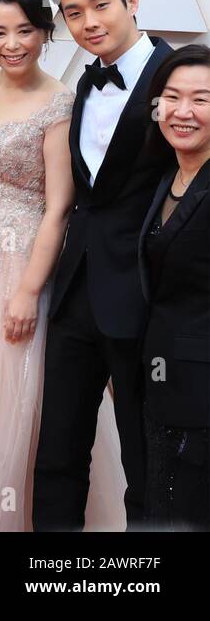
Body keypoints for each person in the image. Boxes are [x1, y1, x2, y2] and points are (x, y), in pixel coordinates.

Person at [0, 0, 125, 531]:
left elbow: (59, 207)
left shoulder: (60, 102)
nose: (12, 43)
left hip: (19, 263)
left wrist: (26, 292)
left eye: (25, 30)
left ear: (45, 33)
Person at [33, 0, 174, 530]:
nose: (88, 22)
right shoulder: (83, 83)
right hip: (74, 295)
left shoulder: (178, 78)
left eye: (100, 5)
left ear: (131, 2)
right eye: (73, 13)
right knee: (58, 450)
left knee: (147, 457)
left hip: (144, 296)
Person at [138, 44, 210, 531]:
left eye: (202, 100)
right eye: (172, 96)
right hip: (164, 387)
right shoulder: (167, 177)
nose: (183, 112)